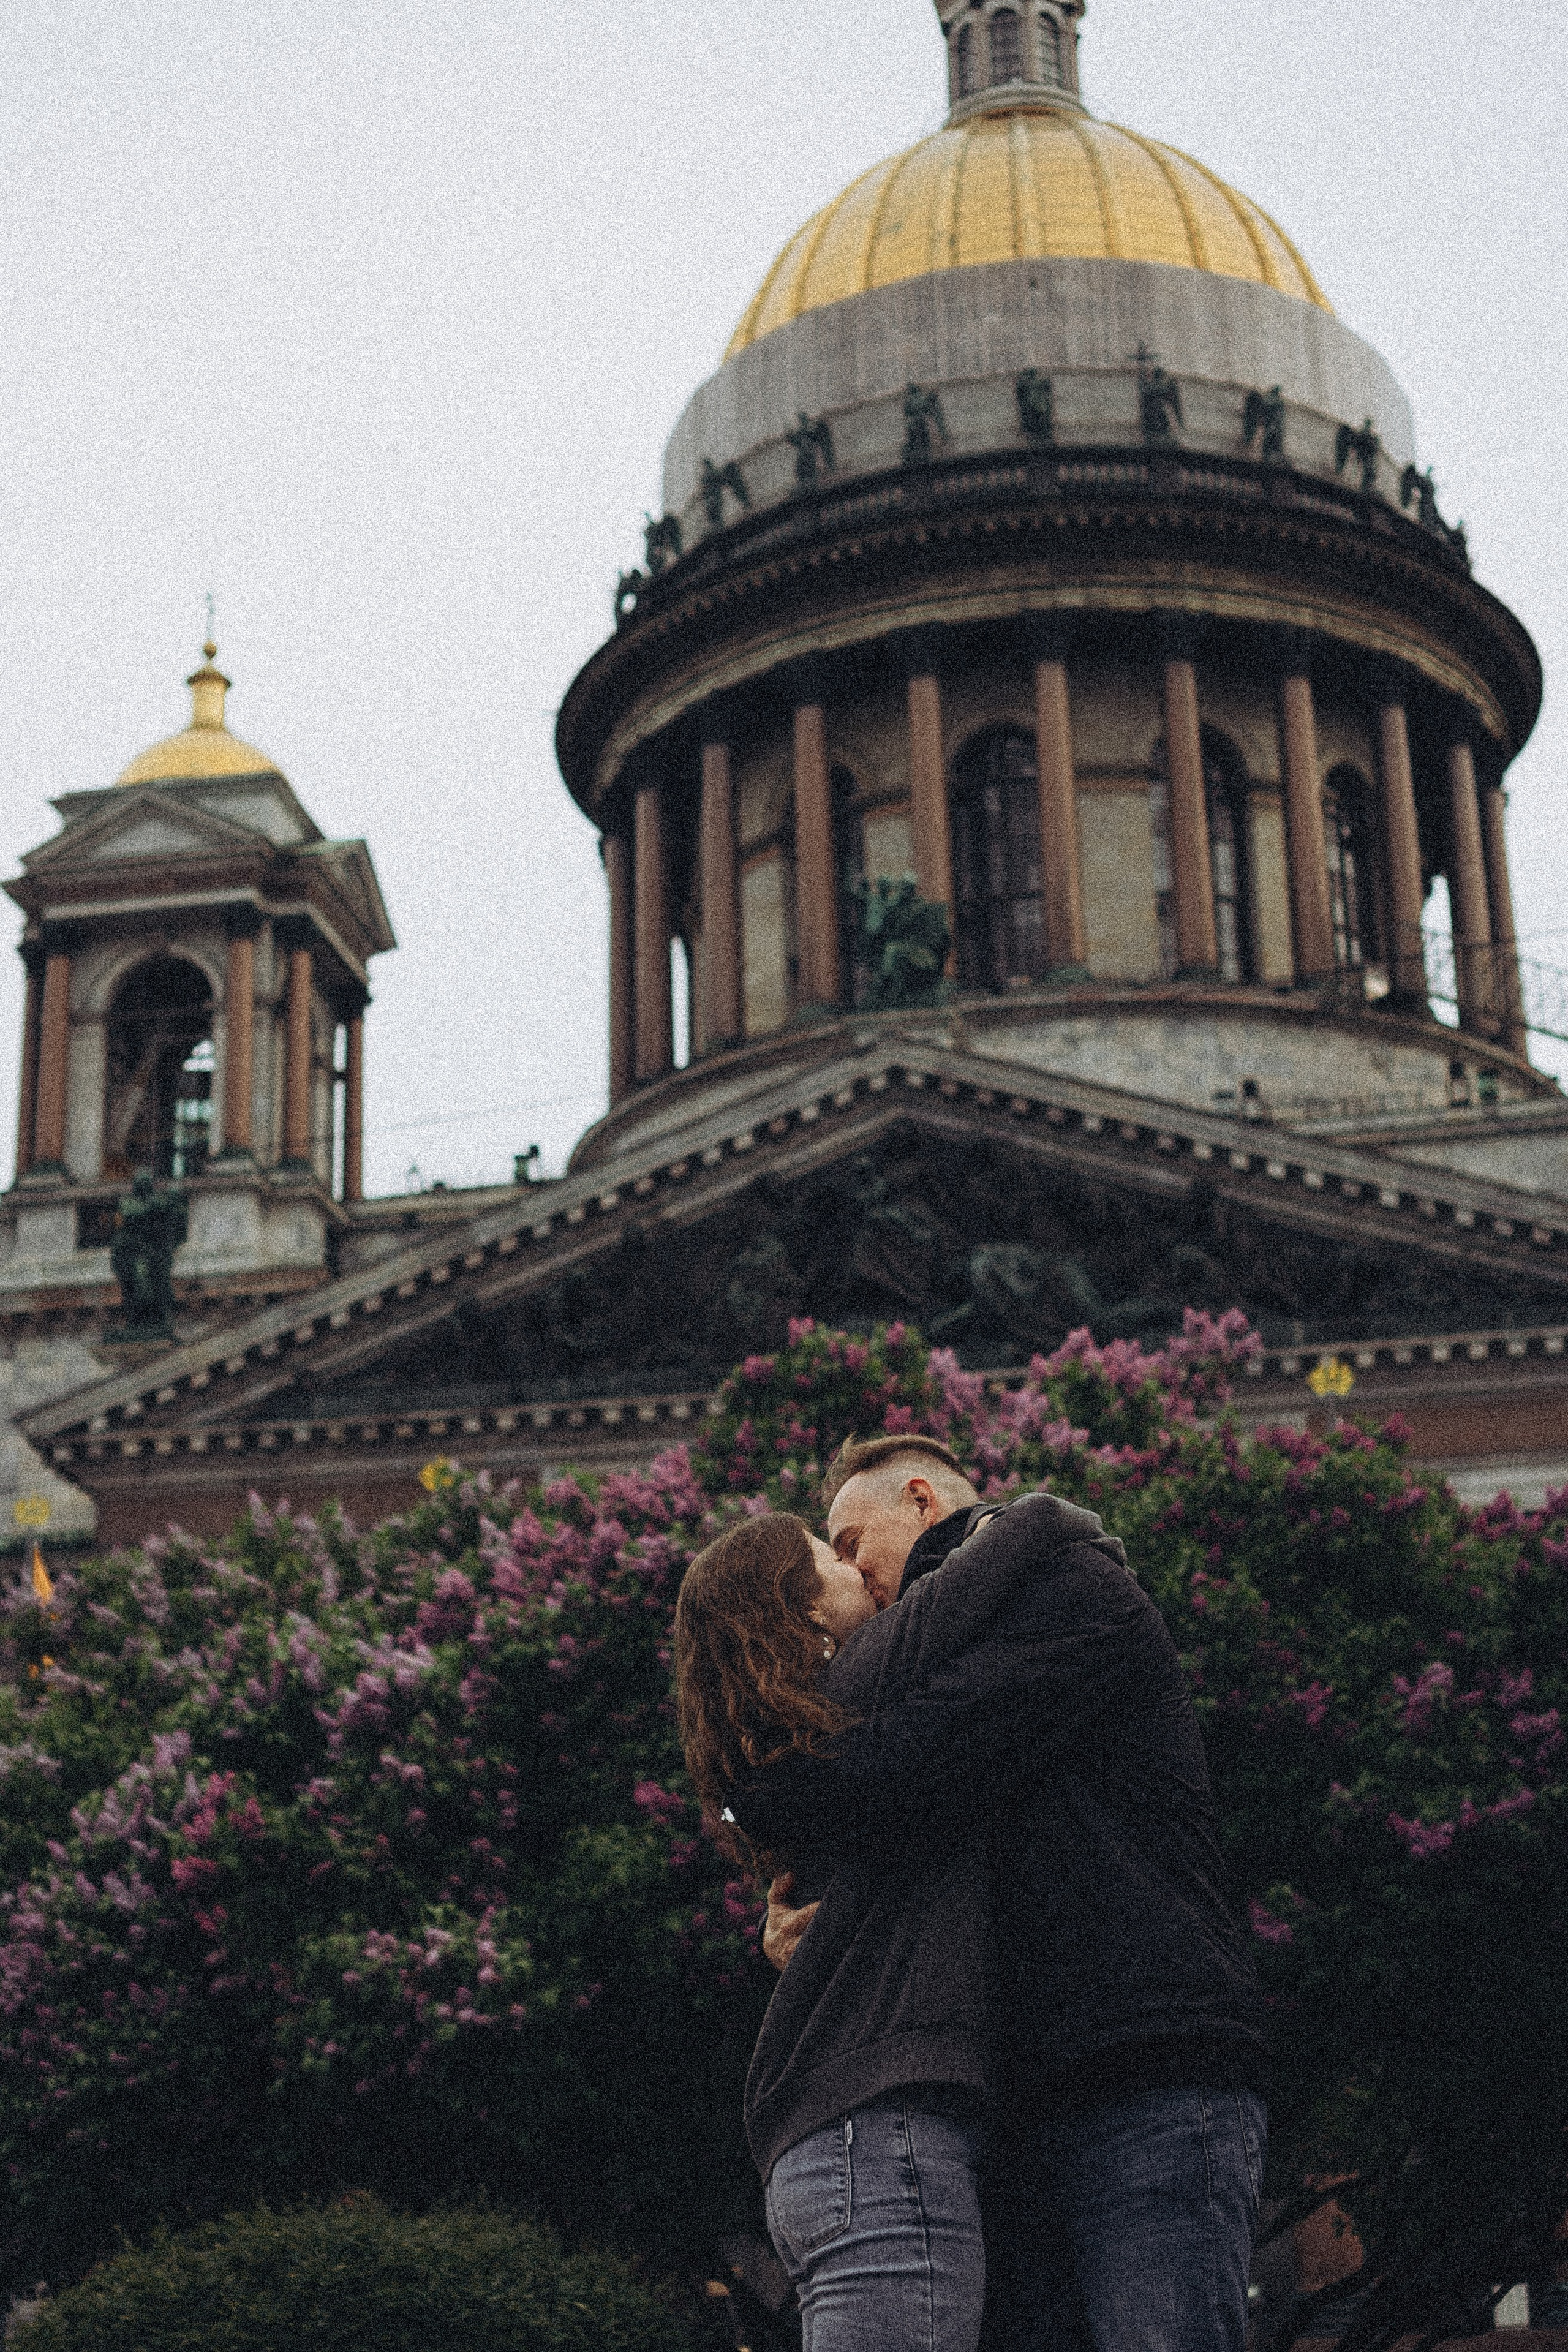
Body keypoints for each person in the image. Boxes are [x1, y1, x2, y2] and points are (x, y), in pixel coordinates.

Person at [737, 1434, 1268, 2352]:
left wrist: (755, 1792)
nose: (854, 1576)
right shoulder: (976, 1620)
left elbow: (899, 1762)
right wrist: (809, 1920)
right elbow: (905, 1819)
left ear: (922, 1501)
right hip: (1028, 2090)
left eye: (854, 1544)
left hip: (1147, 2070)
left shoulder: (1072, 1584)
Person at [674, 1494, 1126, 2351]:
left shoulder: (800, 1744)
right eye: (833, 1557)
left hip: (844, 2137)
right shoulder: (852, 1706)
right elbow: (992, 1573)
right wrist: (1037, 1521)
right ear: (804, 1612)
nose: (861, 1572)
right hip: (873, 2135)